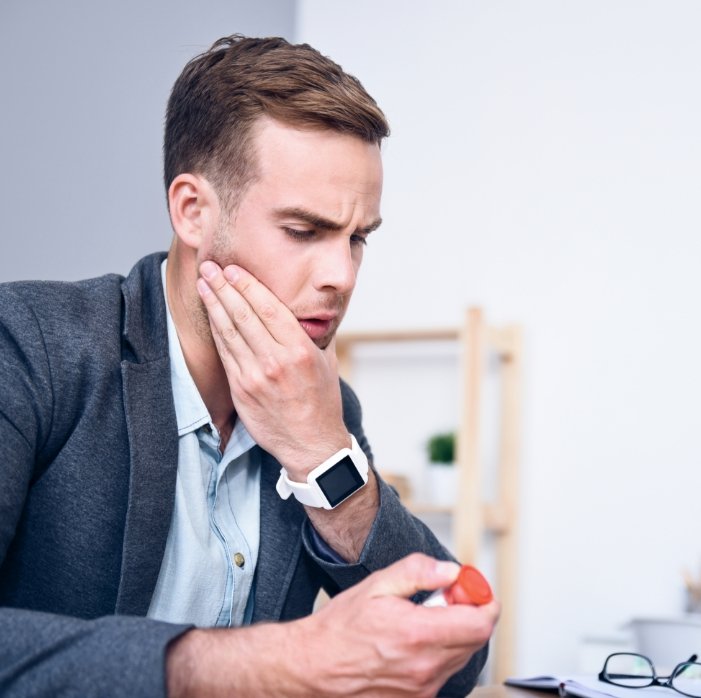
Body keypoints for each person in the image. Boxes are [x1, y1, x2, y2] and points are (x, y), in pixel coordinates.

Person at [0, 35, 499, 697]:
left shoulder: (320, 405)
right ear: (192, 211)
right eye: (304, 231)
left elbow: (455, 662)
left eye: (357, 239)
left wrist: (323, 454)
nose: (340, 276)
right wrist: (273, 662)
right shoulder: (32, 347)